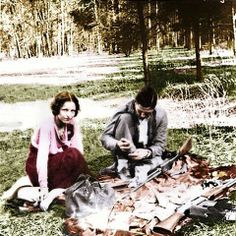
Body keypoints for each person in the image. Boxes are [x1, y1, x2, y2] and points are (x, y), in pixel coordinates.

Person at [2, 91, 90, 209]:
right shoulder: (47, 126)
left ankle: (59, 188)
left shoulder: (72, 123)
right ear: (57, 108)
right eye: (65, 110)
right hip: (37, 163)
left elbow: (78, 150)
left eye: (72, 111)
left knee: (75, 156)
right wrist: (44, 187)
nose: (69, 115)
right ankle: (52, 190)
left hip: (56, 160)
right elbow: (42, 158)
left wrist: (78, 166)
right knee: (72, 156)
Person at [100, 86, 168, 187]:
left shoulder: (160, 115)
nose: (142, 115)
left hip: (146, 155)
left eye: (147, 113)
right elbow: (105, 137)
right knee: (125, 118)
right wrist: (117, 144)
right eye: (140, 111)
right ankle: (123, 166)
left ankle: (140, 168)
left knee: (163, 162)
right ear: (135, 102)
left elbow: (160, 145)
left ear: (153, 109)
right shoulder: (123, 109)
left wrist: (147, 152)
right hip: (127, 153)